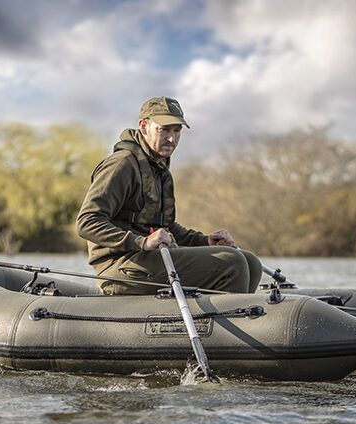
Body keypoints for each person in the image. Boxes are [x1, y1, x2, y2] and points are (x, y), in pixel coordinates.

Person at [76, 96, 261, 295]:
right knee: (231, 262)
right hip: (120, 267)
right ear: (144, 126)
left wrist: (205, 241)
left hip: (148, 260)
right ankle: (228, 318)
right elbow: (87, 222)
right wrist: (142, 242)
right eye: (164, 129)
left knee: (249, 262)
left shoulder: (159, 168)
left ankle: (220, 314)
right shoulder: (121, 165)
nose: (172, 138)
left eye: (177, 130)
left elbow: (165, 228)